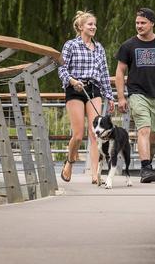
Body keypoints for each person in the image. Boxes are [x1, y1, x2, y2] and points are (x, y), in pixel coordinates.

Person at [115, 8, 155, 183]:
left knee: (154, 136)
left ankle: (148, 162)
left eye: (143, 22)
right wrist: (121, 97)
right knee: (143, 129)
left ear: (152, 23)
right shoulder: (128, 45)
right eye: (137, 23)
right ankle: (146, 168)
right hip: (137, 93)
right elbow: (120, 72)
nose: (139, 26)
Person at [58, 10, 115, 183]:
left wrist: (110, 96)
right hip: (75, 88)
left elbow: (104, 74)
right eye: (90, 24)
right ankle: (69, 161)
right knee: (77, 134)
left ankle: (94, 174)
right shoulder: (71, 45)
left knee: (95, 133)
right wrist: (71, 80)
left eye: (94, 24)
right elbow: (61, 68)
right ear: (81, 26)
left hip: (93, 89)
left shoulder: (99, 49)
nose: (93, 27)